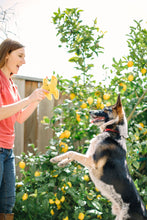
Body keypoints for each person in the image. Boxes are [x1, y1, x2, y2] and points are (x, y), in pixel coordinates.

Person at [0, 38, 48, 220]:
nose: (24, 61)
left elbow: (18, 117)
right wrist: (28, 99)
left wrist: (36, 100)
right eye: (20, 56)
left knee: (7, 205)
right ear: (6, 55)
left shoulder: (12, 84)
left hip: (7, 151)